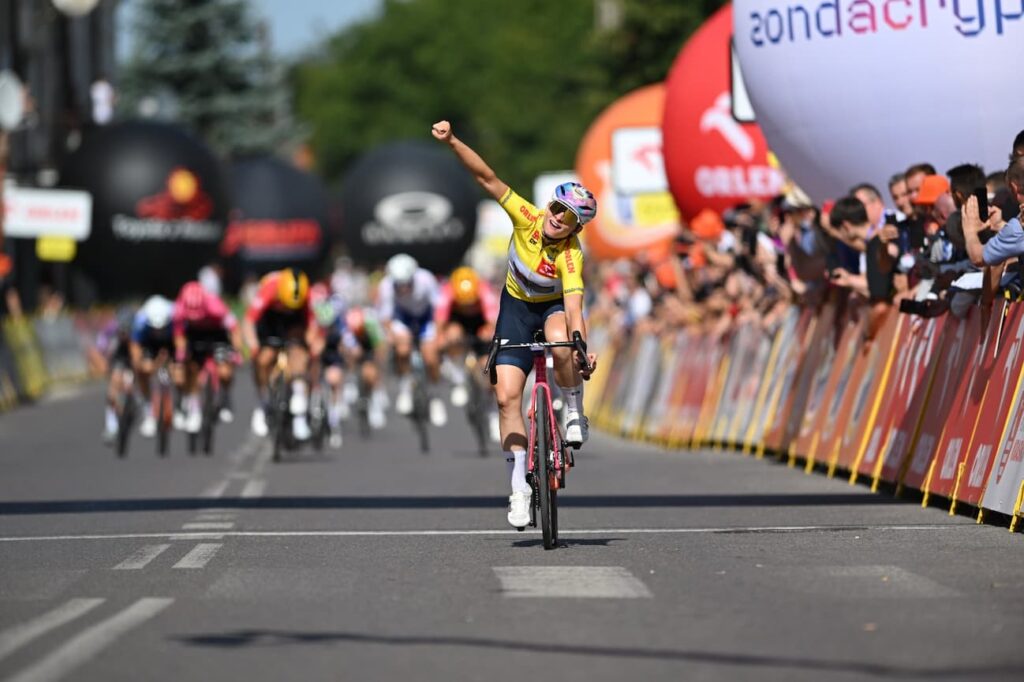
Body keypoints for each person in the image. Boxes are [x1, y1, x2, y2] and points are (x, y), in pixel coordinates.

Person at [432, 119, 597, 529]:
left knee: (561, 341)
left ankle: (572, 408)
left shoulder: (571, 254)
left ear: (577, 228)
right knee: (507, 397)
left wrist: (580, 344)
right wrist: (453, 141)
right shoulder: (527, 215)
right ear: (549, 206)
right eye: (557, 208)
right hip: (516, 308)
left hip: (552, 308)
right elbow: (487, 178)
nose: (558, 218)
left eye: (569, 217)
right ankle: (518, 487)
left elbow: (574, 305)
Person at [242, 268, 320, 441]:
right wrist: (253, 345)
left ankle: (299, 405)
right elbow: (249, 321)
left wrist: (310, 344)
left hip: (295, 323)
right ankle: (262, 404)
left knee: (299, 354)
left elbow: (313, 326)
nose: (287, 308)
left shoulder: (307, 294)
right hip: (269, 320)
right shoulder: (269, 289)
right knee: (264, 359)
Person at [377, 253, 447, 427]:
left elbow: (440, 308)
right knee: (402, 349)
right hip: (403, 318)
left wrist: (438, 334)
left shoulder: (426, 279)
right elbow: (385, 317)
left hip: (426, 318)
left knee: (430, 357)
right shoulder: (386, 286)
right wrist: (393, 336)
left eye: (406, 284)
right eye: (398, 285)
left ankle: (436, 397)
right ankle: (406, 385)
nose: (403, 289)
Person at [172, 282, 243, 433]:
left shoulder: (216, 306)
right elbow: (179, 334)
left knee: (225, 372)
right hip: (194, 335)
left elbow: (234, 329)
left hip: (217, 335)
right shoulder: (179, 308)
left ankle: (225, 396)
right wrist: (181, 354)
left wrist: (237, 351)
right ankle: (193, 407)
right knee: (189, 367)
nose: (194, 317)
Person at [435, 266, 499, 406]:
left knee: (488, 365)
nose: (468, 308)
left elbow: (493, 320)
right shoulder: (447, 291)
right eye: (463, 304)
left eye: (471, 303)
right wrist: (441, 337)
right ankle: (458, 378)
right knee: (452, 335)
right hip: (458, 322)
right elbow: (440, 320)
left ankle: (490, 402)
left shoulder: (484, 290)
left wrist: (488, 330)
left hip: (480, 322)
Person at [964, 156, 1024, 268]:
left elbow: (978, 257)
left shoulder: (1019, 226)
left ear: (1013, 187)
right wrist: (1001, 225)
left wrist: (970, 231)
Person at [129, 295, 175, 437]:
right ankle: (148, 409)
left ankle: (183, 402)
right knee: (142, 370)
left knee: (178, 369)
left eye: (162, 328)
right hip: (148, 344)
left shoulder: (175, 315)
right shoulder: (141, 320)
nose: (159, 331)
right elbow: (135, 347)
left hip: (170, 341)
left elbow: (182, 342)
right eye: (156, 328)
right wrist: (140, 365)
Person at [310, 283, 347, 448]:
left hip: (331, 351)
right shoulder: (309, 314)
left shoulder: (336, 313)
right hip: (315, 351)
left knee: (334, 379)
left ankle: (334, 418)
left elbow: (344, 341)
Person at [341, 306, 388, 430]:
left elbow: (380, 348)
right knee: (351, 354)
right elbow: (345, 347)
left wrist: (377, 367)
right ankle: (350, 381)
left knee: (370, 373)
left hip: (371, 346)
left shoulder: (372, 324)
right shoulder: (348, 325)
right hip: (356, 346)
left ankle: (375, 401)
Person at [98, 306, 136, 443]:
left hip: (131, 357)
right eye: (122, 331)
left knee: (130, 384)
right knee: (112, 391)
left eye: (127, 331)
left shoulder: (136, 331)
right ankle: (111, 425)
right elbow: (102, 347)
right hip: (117, 357)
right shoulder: (110, 329)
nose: (124, 334)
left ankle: (135, 403)